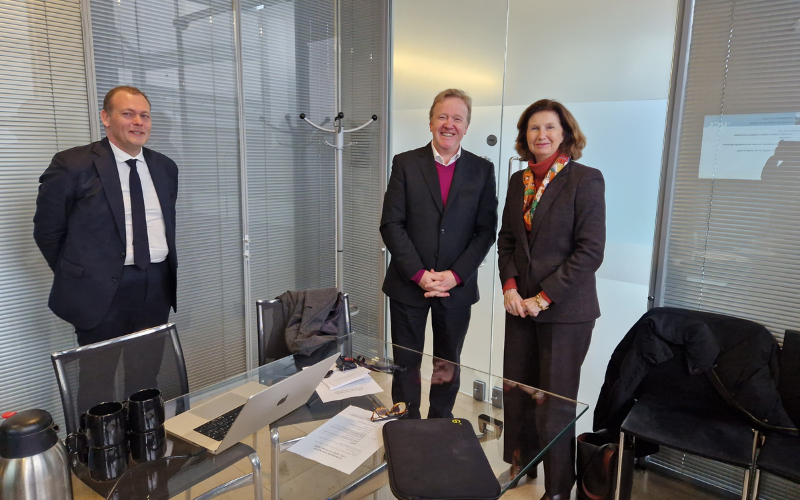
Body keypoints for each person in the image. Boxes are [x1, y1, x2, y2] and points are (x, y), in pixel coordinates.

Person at [34, 86, 178, 413]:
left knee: (146, 377)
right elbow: (47, 231)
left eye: (144, 115)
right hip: (99, 290)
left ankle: (142, 439)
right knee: (97, 382)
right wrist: (80, 274)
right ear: (106, 118)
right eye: (128, 114)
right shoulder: (73, 164)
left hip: (155, 284)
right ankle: (99, 445)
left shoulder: (165, 168)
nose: (138, 122)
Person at [497, 99, 605, 499]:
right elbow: (507, 240)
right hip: (519, 308)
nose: (541, 135)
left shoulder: (585, 179)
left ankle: (558, 489)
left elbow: (590, 252)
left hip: (564, 311)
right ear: (524, 136)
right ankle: (522, 462)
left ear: (565, 134)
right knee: (518, 392)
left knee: (554, 404)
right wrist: (510, 287)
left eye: (549, 127)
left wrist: (544, 297)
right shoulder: (518, 181)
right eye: (533, 128)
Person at [380, 88, 498, 419]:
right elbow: (391, 224)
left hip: (455, 289)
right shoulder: (405, 163)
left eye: (457, 118)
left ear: (466, 126)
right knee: (406, 363)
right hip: (408, 285)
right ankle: (406, 425)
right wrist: (419, 274)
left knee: (447, 363)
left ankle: (439, 425)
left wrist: (455, 275)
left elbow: (485, 231)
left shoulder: (481, 170)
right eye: (442, 116)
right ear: (430, 121)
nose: (449, 124)